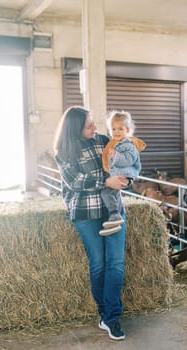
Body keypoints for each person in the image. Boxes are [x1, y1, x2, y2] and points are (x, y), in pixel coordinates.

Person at [53, 105, 128, 341]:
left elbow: (124, 162)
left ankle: (111, 317)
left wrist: (127, 171)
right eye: (89, 125)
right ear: (75, 129)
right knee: (99, 264)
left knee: (116, 263)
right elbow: (76, 181)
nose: (95, 127)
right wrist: (107, 181)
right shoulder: (63, 152)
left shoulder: (104, 140)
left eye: (94, 122)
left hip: (113, 210)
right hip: (86, 214)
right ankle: (104, 313)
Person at [100, 110, 146, 236]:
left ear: (128, 130)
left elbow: (129, 159)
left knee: (107, 192)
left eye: (120, 129)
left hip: (123, 174)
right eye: (113, 129)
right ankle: (115, 220)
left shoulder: (128, 144)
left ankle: (115, 215)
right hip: (117, 174)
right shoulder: (114, 143)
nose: (116, 132)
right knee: (110, 193)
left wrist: (116, 156)